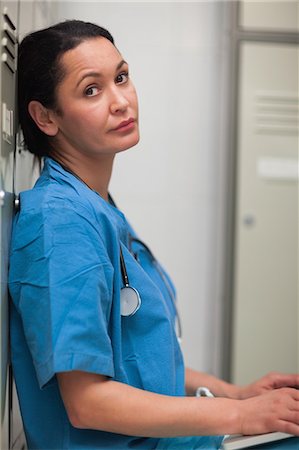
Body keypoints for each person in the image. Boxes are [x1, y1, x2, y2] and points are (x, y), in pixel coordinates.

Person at [9, 20, 299, 450]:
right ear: (46, 117)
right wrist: (239, 414)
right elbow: (87, 402)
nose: (121, 101)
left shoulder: (98, 206)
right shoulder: (60, 223)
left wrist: (235, 392)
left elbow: (139, 365)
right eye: (92, 90)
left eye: (121, 78)